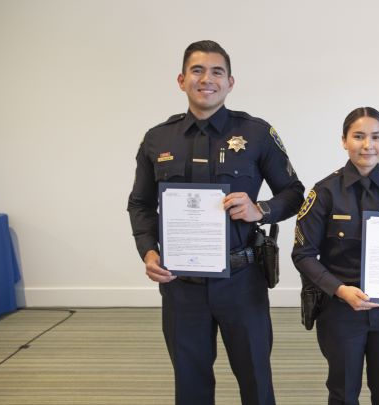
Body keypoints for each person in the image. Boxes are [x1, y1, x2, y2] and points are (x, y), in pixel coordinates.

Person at [127, 40, 304, 405]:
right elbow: (140, 203)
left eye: (216, 72)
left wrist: (261, 210)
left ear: (230, 82)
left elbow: (294, 193)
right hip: (181, 285)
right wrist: (147, 251)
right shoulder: (157, 138)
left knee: (256, 378)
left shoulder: (256, 133)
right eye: (197, 70)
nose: (206, 79)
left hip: (241, 281)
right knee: (190, 384)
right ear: (181, 80)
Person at [292, 107, 379, 405]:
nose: (368, 145)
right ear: (344, 140)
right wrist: (340, 290)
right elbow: (303, 255)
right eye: (358, 136)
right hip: (342, 310)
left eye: (376, 137)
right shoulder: (325, 193)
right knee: (343, 393)